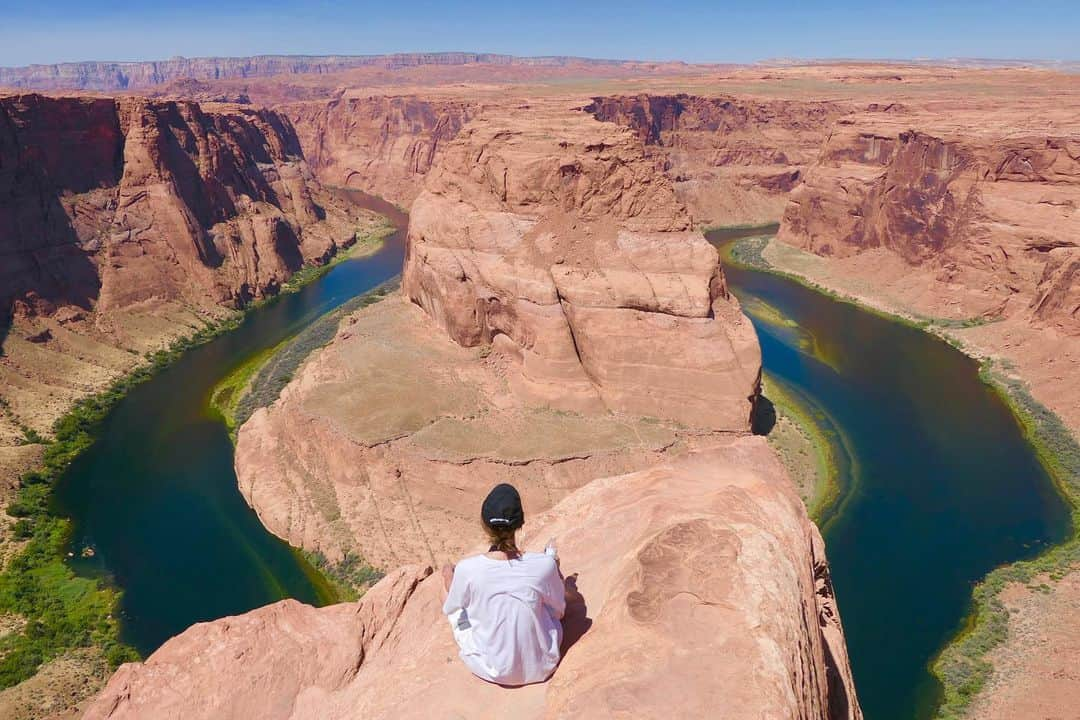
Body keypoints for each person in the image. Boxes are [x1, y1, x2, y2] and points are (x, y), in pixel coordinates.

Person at [441, 483, 566, 686]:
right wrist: (554, 570)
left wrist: (449, 579)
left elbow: (453, 606)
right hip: (543, 665)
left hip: (492, 668)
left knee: (449, 597)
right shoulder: (544, 564)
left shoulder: (467, 568)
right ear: (520, 523)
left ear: (484, 524)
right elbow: (559, 611)